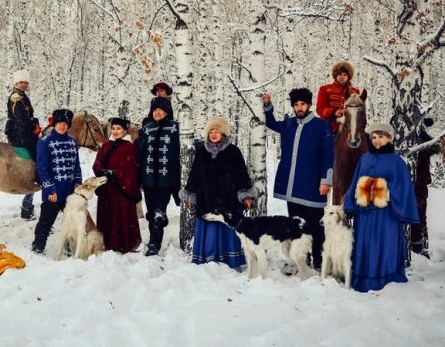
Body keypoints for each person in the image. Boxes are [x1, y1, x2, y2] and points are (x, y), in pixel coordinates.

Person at [262, 88, 333, 270]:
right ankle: (301, 259)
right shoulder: (288, 124)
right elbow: (271, 123)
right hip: (292, 186)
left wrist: (326, 180)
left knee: (316, 227)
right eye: (296, 104)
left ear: (309, 105)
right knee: (296, 224)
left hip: (313, 184)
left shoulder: (321, 126)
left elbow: (328, 155)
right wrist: (268, 106)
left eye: (302, 104)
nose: (299, 107)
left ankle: (319, 261)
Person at [343, 123, 420, 292]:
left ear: (389, 138)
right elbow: (355, 181)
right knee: (365, 244)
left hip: (386, 215)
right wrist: (350, 203)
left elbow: (403, 187)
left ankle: (386, 277)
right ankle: (363, 278)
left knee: (383, 244)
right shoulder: (365, 158)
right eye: (374, 137)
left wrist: (378, 188)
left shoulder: (397, 162)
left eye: (382, 137)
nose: (377, 141)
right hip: (364, 214)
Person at [183, 117, 255, 268]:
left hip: (228, 198)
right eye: (211, 131)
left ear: (224, 134)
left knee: (226, 227)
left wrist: (246, 195)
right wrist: (191, 195)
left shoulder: (233, 151)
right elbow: (195, 175)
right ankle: (208, 259)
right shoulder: (202, 152)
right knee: (209, 227)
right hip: (206, 198)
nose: (214, 134)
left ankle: (228, 261)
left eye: (217, 131)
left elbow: (241, 174)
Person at [32, 109, 82, 254]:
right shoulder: (45, 142)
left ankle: (69, 245)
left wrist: (78, 182)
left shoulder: (72, 141)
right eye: (59, 123)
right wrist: (50, 190)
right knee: (46, 221)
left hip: (70, 191)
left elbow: (76, 165)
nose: (62, 126)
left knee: (71, 220)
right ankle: (38, 245)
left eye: (65, 124)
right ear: (54, 124)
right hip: (53, 192)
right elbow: (42, 168)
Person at [136, 97, 181, 256]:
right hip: (148, 179)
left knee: (159, 211)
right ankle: (154, 237)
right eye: (154, 110)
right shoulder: (147, 129)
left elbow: (180, 154)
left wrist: (178, 181)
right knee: (150, 211)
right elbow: (140, 154)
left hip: (166, 180)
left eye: (160, 110)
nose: (157, 112)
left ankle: (155, 243)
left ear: (167, 112)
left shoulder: (176, 129)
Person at [92, 117, 142, 253]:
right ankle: (106, 242)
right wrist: (100, 170)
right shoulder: (107, 145)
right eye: (113, 128)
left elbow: (130, 169)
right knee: (106, 215)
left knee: (121, 216)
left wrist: (114, 174)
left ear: (125, 130)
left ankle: (122, 243)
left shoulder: (130, 147)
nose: (115, 131)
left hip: (121, 190)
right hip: (106, 189)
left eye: (118, 129)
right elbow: (97, 162)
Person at [5, 69, 41, 220]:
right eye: (21, 82)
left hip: (24, 130)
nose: (24, 84)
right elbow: (21, 118)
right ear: (16, 83)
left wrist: (35, 122)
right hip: (19, 132)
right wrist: (33, 124)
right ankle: (38, 177)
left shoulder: (22, 96)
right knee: (40, 150)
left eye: (26, 82)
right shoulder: (16, 97)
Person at [411, 118, 443, 258]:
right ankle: (414, 245)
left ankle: (421, 246)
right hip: (407, 184)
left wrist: (423, 134)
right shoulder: (402, 139)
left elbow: (436, 147)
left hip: (420, 184)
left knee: (420, 215)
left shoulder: (422, 142)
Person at [316, 60, 360, 134]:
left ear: (348, 77)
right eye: (339, 74)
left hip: (350, 129)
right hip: (330, 128)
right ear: (335, 75)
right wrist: (334, 112)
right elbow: (320, 109)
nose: (342, 77)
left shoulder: (355, 92)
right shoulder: (325, 89)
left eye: (344, 74)